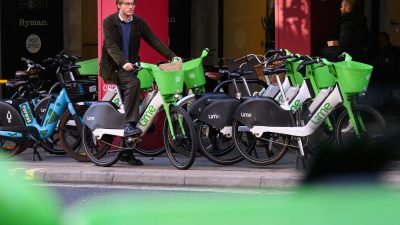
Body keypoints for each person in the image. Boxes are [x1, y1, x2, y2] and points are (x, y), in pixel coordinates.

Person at [99, 0, 178, 165]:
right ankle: (129, 126)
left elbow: (154, 40)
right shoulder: (109, 22)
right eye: (127, 4)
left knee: (142, 96)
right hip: (115, 67)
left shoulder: (138, 22)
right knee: (133, 84)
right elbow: (112, 47)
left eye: (133, 4)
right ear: (118, 6)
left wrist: (172, 56)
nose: (131, 7)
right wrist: (123, 62)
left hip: (131, 67)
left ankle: (127, 153)